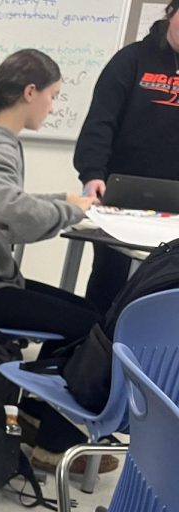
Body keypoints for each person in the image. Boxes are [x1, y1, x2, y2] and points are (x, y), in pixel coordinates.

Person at [0, 49, 112, 472]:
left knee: (87, 313)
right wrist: (75, 211)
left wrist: (61, 201)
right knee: (90, 327)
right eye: (52, 96)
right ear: (30, 92)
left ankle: (35, 414)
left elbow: (2, 201)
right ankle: (53, 437)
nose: (52, 106)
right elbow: (6, 209)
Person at [74, 0, 179, 314]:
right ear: (171, 13)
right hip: (120, 194)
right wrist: (92, 174)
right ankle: (90, 354)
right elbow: (100, 123)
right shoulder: (131, 60)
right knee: (109, 279)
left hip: (175, 199)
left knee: (164, 287)